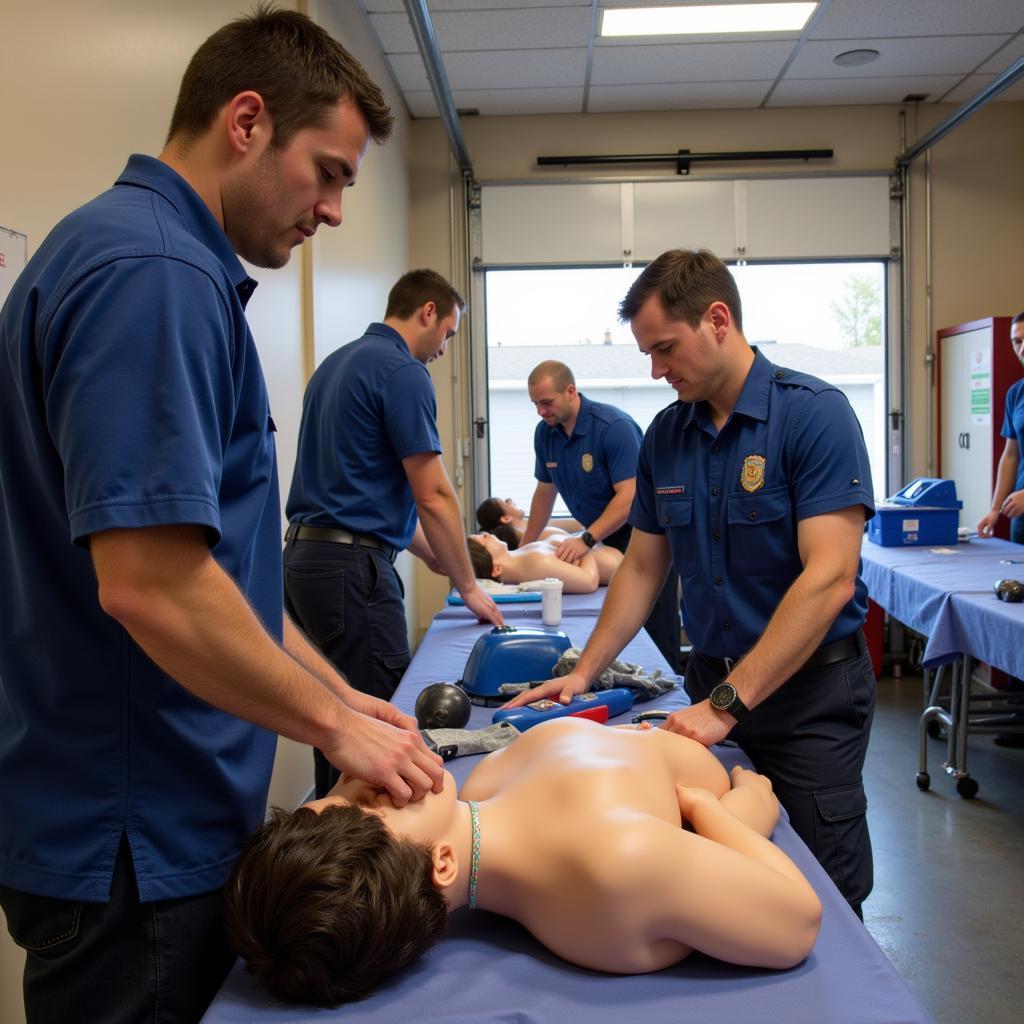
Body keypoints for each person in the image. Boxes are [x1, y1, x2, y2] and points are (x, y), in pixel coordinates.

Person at [0, 10, 446, 1022]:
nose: (334, 211)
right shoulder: (151, 276)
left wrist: (345, 702)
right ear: (246, 122)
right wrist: (333, 721)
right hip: (134, 840)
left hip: (153, 817)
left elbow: (218, 577)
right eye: (328, 172)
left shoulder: (162, 267)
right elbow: (150, 586)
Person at [506, 249, 877, 917]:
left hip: (807, 699)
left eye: (665, 348)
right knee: (721, 879)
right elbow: (645, 567)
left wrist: (727, 704)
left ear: (717, 319)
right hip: (712, 683)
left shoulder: (814, 415)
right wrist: (584, 671)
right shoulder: (667, 437)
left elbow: (830, 579)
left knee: (823, 890)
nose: (655, 369)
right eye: (647, 353)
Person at [224, 717, 823, 1008]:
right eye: (373, 799)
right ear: (442, 866)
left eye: (337, 788)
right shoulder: (611, 864)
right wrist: (730, 808)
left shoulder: (487, 782)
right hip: (702, 776)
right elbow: (796, 923)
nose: (371, 772)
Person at [285, 269, 504, 796]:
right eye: (449, 334)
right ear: (428, 311)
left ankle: (332, 855)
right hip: (350, 576)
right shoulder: (402, 371)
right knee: (384, 733)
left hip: (304, 565)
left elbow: (357, 494)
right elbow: (432, 493)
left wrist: (434, 556)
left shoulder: (336, 365)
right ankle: (379, 867)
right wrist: (468, 586)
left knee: (338, 729)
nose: (445, 349)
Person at [523, 361, 684, 672]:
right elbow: (544, 494)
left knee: (654, 632)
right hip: (603, 536)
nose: (541, 412)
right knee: (613, 628)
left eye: (546, 402)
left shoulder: (612, 427)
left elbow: (630, 496)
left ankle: (668, 702)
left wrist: (586, 538)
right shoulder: (545, 435)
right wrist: (524, 549)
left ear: (570, 392)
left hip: (645, 535)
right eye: (535, 404)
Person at [977, 310, 1024, 745]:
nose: (1021, 348)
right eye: (1015, 341)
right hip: (1019, 520)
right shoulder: (1016, 393)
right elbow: (1010, 455)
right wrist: (995, 509)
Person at [467, 530, 622, 592]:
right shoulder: (534, 563)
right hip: (621, 564)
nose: (485, 534)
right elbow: (589, 582)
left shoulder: (523, 555)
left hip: (615, 553)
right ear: (496, 569)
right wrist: (584, 548)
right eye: (483, 540)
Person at [476, 494, 581, 546]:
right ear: (506, 518)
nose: (510, 500)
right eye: (505, 502)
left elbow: (581, 525)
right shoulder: (535, 538)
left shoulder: (540, 527)